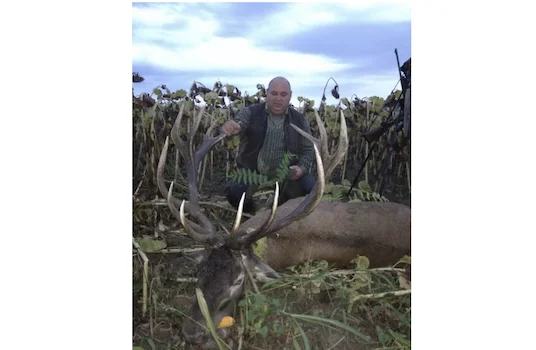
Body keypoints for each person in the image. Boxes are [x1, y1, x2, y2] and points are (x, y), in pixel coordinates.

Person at [220, 76, 316, 214]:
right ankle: (253, 214)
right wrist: (229, 127)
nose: (278, 98)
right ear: (267, 93)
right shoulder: (251, 113)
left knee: (309, 187)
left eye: (283, 94)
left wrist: (301, 168)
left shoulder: (300, 120)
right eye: (274, 93)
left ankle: (282, 210)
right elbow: (237, 124)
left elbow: (308, 150)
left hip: (286, 175)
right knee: (234, 192)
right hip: (253, 175)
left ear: (290, 96)